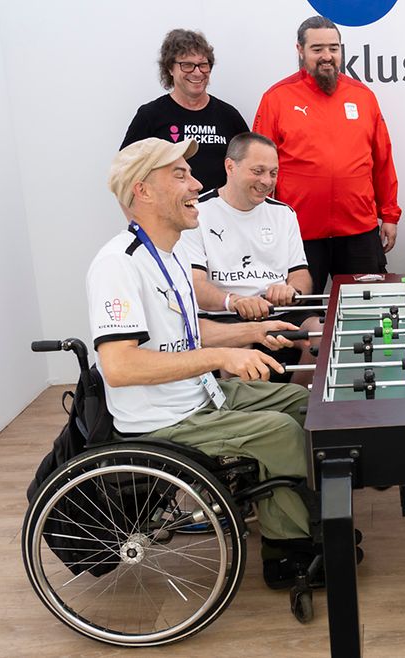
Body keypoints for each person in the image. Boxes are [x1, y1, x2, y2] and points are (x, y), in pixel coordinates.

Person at [90, 137, 319, 589]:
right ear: (143, 191)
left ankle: (302, 514)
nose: (197, 182)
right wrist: (221, 355)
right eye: (179, 175)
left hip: (198, 395)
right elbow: (119, 366)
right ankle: (288, 553)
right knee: (280, 431)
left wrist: (251, 333)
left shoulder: (169, 254)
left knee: (301, 403)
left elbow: (189, 334)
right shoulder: (118, 265)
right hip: (163, 418)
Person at [253, 15, 401, 294]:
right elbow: (258, 166)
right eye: (317, 49)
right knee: (300, 317)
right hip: (300, 233)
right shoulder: (277, 98)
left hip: (358, 230)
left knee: (367, 309)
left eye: (333, 48)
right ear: (300, 50)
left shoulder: (363, 96)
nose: (327, 56)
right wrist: (261, 222)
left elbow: (382, 160)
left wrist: (389, 215)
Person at [178, 132, 321, 387]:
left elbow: (301, 275)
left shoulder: (284, 213)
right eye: (258, 171)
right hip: (223, 315)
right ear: (230, 166)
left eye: (273, 173)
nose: (267, 181)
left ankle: (296, 404)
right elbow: (194, 284)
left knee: (321, 334)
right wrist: (234, 302)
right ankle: (244, 416)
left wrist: (291, 290)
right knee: (238, 340)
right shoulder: (197, 212)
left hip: (280, 312)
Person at [121, 29, 248, 191]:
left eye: (203, 65)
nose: (197, 72)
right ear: (169, 69)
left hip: (220, 215)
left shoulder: (229, 116)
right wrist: (138, 217)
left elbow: (248, 166)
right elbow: (123, 174)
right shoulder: (150, 116)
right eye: (187, 65)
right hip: (169, 215)